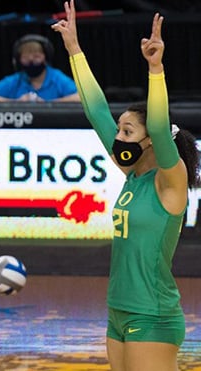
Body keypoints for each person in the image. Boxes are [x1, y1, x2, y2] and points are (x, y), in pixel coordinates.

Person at [52, 1, 199, 370]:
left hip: (152, 315)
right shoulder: (132, 176)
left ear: (151, 142)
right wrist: (74, 50)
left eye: (128, 131)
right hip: (118, 311)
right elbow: (96, 111)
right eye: (119, 130)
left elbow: (161, 126)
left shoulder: (170, 181)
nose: (117, 137)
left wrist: (156, 69)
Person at [0, 33, 80, 102]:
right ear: (18, 60)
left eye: (36, 57)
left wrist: (49, 104)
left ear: (45, 57)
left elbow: (80, 98)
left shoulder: (56, 77)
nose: (31, 62)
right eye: (26, 58)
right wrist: (16, 102)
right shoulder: (16, 80)